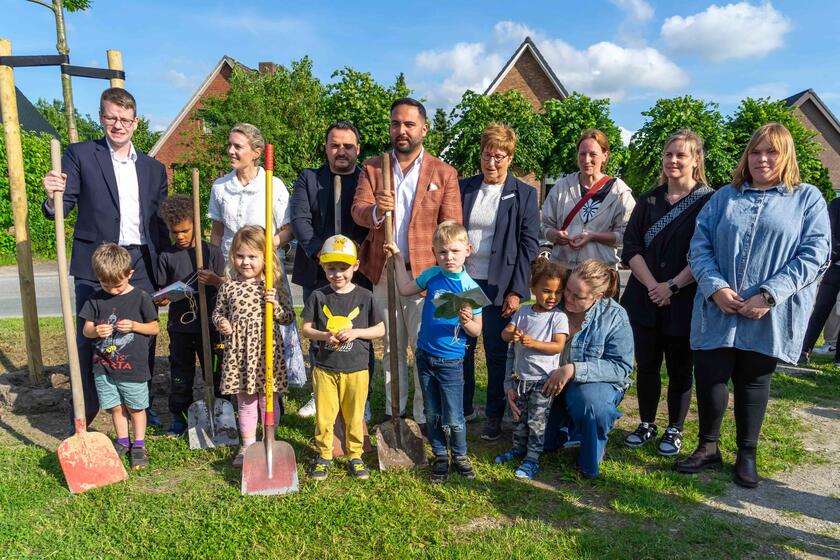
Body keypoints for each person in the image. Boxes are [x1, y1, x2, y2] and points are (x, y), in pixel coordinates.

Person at [677, 123, 830, 488]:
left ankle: (747, 453)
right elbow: (699, 245)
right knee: (711, 374)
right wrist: (715, 288)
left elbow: (815, 254)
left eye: (771, 152)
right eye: (756, 151)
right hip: (718, 306)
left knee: (753, 380)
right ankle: (708, 446)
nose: (762, 159)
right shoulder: (724, 198)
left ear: (785, 156)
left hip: (768, 312)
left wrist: (771, 293)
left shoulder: (806, 199)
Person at [42, 87, 169, 431]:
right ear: (101, 117)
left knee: (142, 338)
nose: (118, 125)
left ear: (136, 122)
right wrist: (53, 197)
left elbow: (160, 224)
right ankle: (85, 413)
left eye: (125, 119)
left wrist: (169, 268)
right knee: (91, 337)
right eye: (111, 117)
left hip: (140, 261)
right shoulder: (81, 155)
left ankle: (140, 406)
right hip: (94, 263)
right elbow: (62, 205)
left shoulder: (154, 169)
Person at [351, 98, 462, 428]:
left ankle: (424, 415)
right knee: (391, 347)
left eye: (409, 124)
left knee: (423, 348)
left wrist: (442, 276)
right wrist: (375, 211)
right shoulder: (374, 168)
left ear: (423, 129)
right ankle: (393, 411)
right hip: (384, 274)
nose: (402, 130)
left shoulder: (443, 173)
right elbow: (358, 209)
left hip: (424, 277)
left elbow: (451, 226)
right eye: (396, 124)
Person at [620, 129, 714, 456]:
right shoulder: (649, 200)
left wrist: (672, 285)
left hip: (684, 299)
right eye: (668, 154)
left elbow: (708, 252)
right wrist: (653, 286)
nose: (673, 160)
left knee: (679, 368)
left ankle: (675, 428)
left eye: (681, 155)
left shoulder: (709, 202)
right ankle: (646, 422)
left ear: (696, 160)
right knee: (646, 364)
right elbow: (630, 247)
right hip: (645, 297)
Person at [208, 123, 305, 392]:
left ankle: (274, 389)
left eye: (237, 146)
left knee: (270, 328)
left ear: (256, 152)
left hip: (265, 269)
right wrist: (214, 262)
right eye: (229, 145)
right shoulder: (220, 187)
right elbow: (217, 232)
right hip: (232, 269)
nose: (230, 150)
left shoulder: (272, 185)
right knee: (233, 326)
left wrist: (264, 248)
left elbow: (288, 229)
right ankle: (236, 386)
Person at [459, 122, 540, 441]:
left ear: (510, 157)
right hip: (463, 282)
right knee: (460, 349)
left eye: (499, 156)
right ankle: (463, 410)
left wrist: (517, 291)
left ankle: (494, 415)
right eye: (486, 155)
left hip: (499, 287)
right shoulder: (463, 187)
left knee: (495, 354)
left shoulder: (524, 194)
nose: (491, 163)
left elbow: (529, 246)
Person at [384, 221, 482, 482]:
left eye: (454, 251)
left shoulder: (471, 289)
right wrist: (397, 258)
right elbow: (405, 290)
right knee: (431, 411)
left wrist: (467, 321)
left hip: (451, 360)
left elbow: (476, 331)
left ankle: (460, 455)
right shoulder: (431, 276)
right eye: (442, 252)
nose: (448, 257)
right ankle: (440, 455)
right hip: (424, 355)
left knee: (454, 414)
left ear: (467, 250)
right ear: (434, 252)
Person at [290, 121, 372, 419]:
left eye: (348, 146)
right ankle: (319, 393)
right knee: (320, 333)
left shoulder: (366, 181)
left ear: (357, 149)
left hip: (357, 274)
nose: (341, 151)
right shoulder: (309, 179)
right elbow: (300, 220)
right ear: (326, 147)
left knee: (357, 334)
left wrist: (351, 258)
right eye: (335, 145)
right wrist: (321, 256)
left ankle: (360, 398)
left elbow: (369, 224)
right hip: (317, 272)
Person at [300, 235, 384, 481]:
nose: (338, 274)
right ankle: (324, 455)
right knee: (325, 416)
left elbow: (380, 329)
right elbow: (306, 328)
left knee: (354, 415)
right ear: (323, 267)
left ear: (356, 266)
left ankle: (355, 455)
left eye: (344, 268)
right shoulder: (318, 296)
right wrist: (325, 336)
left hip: (357, 369)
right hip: (325, 368)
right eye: (331, 268)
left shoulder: (365, 297)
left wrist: (356, 332)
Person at [212, 226, 296, 466]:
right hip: (240, 352)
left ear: (265, 257)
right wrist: (223, 323)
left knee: (267, 398)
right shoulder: (228, 286)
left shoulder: (274, 285)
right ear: (232, 256)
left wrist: (276, 306)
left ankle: (269, 439)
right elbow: (218, 313)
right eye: (240, 256)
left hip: (267, 350)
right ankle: (248, 445)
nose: (245, 262)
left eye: (252, 257)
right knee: (246, 400)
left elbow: (289, 317)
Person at [542, 259, 634, 479]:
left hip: (592, 386)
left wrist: (573, 369)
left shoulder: (614, 316)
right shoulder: (552, 305)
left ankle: (589, 452)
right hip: (551, 382)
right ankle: (568, 429)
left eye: (578, 296)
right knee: (543, 442)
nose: (568, 299)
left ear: (597, 296)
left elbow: (621, 366)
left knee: (592, 405)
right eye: (568, 291)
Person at [79, 244, 159, 470]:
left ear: (129, 274)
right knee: (115, 407)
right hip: (104, 367)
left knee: (136, 407)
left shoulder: (141, 297)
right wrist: (96, 331)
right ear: (98, 278)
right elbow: (86, 330)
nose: (112, 290)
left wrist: (135, 326)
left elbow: (154, 328)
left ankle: (139, 445)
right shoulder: (95, 299)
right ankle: (123, 441)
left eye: (118, 285)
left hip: (133, 367)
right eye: (106, 285)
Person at [156, 195, 226, 437]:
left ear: (196, 224)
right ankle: (180, 417)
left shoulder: (212, 252)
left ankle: (222, 413)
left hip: (211, 325)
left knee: (216, 373)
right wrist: (163, 297)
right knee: (181, 373)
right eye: (175, 232)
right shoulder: (166, 256)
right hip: (180, 326)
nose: (180, 237)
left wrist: (216, 280)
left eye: (185, 231)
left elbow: (228, 287)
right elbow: (161, 291)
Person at [495, 259, 568, 480]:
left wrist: (533, 343)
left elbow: (558, 346)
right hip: (520, 378)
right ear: (533, 289)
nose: (552, 297)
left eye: (558, 292)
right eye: (546, 291)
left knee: (537, 421)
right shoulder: (524, 312)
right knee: (519, 417)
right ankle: (519, 449)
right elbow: (504, 334)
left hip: (542, 381)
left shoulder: (558, 317)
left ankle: (532, 458)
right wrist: (512, 334)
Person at [541, 128, 635, 274]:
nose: (586, 160)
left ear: (605, 156)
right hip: (562, 271)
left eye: (593, 154)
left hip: (600, 275)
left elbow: (626, 235)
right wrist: (555, 235)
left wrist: (593, 236)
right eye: (582, 154)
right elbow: (546, 226)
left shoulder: (619, 192)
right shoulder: (562, 187)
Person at [800, 195, 840, 365]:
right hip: (835, 266)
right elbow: (828, 233)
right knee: (821, 309)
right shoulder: (837, 204)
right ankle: (803, 350)